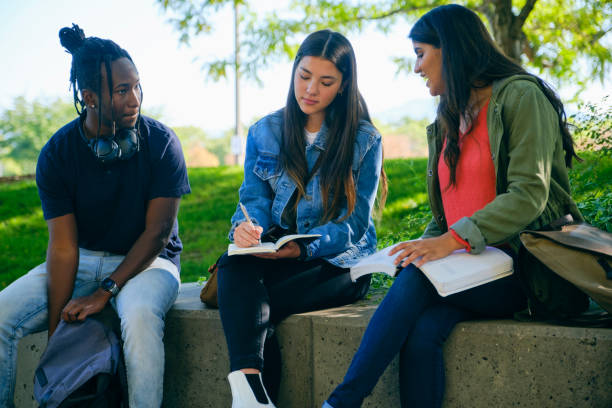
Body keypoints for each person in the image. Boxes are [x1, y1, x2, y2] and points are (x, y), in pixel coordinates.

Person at [323, 4, 583, 408]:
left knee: (418, 279)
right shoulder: (448, 117)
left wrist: (448, 242)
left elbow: (530, 194)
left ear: (451, 49)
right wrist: (419, 246)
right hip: (469, 270)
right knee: (424, 331)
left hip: (523, 269)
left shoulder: (520, 97)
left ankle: (343, 401)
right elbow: (447, 215)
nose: (416, 67)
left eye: (421, 53)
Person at [0, 24, 190, 407]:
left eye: (137, 86)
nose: (135, 99)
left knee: (138, 317)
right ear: (89, 97)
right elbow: (64, 248)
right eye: (122, 91)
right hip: (84, 258)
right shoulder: (58, 154)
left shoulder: (162, 143)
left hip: (150, 262)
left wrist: (106, 292)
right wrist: (57, 335)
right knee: (2, 314)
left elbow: (157, 233)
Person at [217, 29, 387, 408]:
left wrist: (302, 250)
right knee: (233, 262)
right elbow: (253, 199)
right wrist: (246, 228)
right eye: (304, 76)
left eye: (326, 82)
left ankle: (252, 396)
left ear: (343, 85)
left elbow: (354, 224)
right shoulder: (265, 131)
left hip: (336, 261)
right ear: (293, 71)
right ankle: (250, 393)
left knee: (250, 303)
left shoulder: (364, 140)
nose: (310, 89)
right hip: (278, 251)